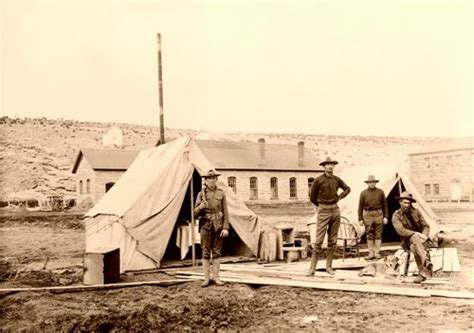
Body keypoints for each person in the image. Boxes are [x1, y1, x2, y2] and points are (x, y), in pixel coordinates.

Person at [307, 157, 351, 276]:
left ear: (334, 166)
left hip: (335, 210)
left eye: (332, 164)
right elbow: (312, 197)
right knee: (319, 241)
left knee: (333, 240)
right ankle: (312, 268)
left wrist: (339, 197)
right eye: (327, 165)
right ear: (323, 167)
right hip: (323, 210)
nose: (330, 166)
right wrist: (321, 206)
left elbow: (347, 189)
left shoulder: (337, 179)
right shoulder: (318, 180)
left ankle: (329, 267)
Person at [194, 169, 229, 287]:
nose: (212, 180)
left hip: (218, 226)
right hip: (206, 226)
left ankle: (216, 277)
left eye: (214, 178)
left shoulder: (221, 193)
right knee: (205, 252)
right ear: (206, 180)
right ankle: (206, 278)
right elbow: (194, 213)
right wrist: (200, 207)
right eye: (209, 178)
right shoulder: (201, 194)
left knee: (217, 252)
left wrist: (225, 228)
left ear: (216, 179)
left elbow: (225, 212)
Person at [392, 191, 433, 283]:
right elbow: (401, 231)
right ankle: (425, 262)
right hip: (406, 241)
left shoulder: (416, 212)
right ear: (400, 202)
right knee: (414, 239)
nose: (407, 205)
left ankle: (422, 273)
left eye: (409, 203)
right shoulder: (396, 216)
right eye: (405, 203)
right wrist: (416, 234)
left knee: (414, 247)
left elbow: (426, 226)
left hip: (421, 241)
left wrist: (425, 236)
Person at [358, 175, 388, 260]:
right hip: (368, 215)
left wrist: (385, 216)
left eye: (373, 182)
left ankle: (377, 253)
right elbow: (360, 207)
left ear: (375, 183)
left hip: (378, 213)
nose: (371, 184)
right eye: (370, 182)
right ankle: (371, 253)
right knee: (369, 234)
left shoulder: (380, 192)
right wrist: (360, 219)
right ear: (367, 183)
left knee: (378, 234)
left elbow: (385, 205)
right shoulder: (363, 193)